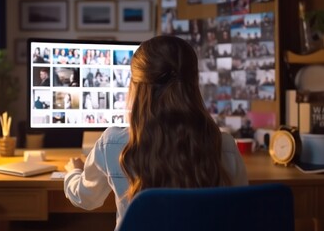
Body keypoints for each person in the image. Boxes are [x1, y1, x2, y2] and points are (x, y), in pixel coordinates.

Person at [64, 36, 248, 230]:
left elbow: (86, 199)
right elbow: (240, 211)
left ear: (136, 87)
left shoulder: (112, 144)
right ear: (194, 83)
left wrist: (73, 172)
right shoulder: (224, 146)